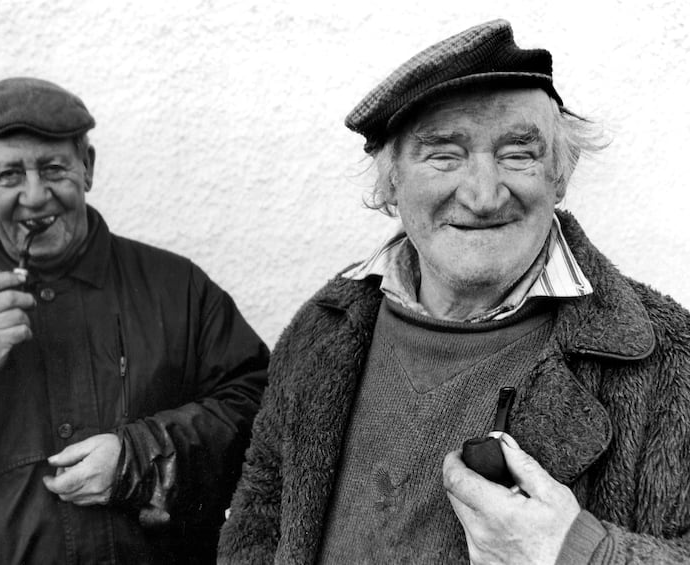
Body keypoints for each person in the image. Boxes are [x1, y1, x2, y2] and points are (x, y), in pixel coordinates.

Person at [218, 19, 690, 564]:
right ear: (391, 181)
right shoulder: (323, 327)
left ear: (560, 174)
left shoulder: (669, 358)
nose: (484, 196)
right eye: (444, 154)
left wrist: (584, 553)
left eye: (518, 154)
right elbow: (257, 521)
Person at [0, 77, 269, 564]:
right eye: (9, 175)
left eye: (53, 168)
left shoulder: (180, 289)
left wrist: (141, 458)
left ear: (87, 168)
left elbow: (262, 416)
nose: (34, 195)